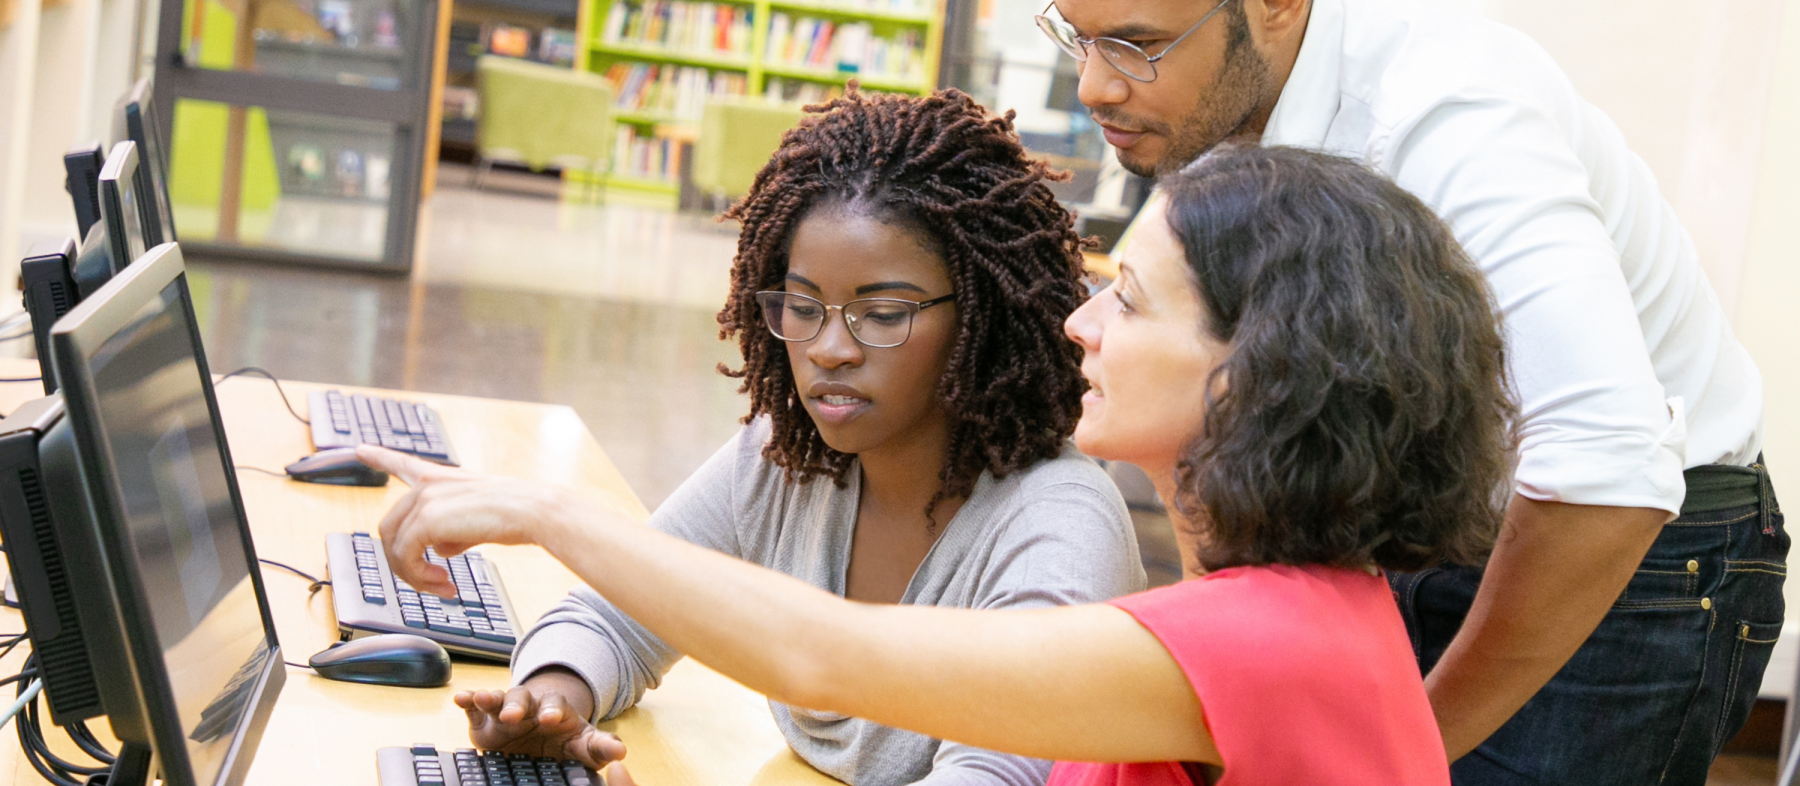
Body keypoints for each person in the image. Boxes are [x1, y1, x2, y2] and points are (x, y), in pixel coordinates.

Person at [362, 145, 1516, 784]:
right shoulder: (1281, 613)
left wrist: (545, 511)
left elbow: (823, 655)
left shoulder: (1256, 643)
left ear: (1254, 369)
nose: (1079, 325)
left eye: (1129, 299)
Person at [1032, 0, 1784, 781]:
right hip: (1442, 521)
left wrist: (1401, 745)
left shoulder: (1448, 111)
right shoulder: (1209, 103)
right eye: (1078, 38)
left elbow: (1609, 466)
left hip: (1627, 539)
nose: (1093, 86)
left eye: (1137, 45)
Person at [445, 88, 1146, 786]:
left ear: (982, 318)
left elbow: (1001, 773)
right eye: (803, 307)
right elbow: (619, 614)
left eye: (882, 312)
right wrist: (551, 703)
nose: (829, 349)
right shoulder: (788, 457)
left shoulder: (1057, 525)